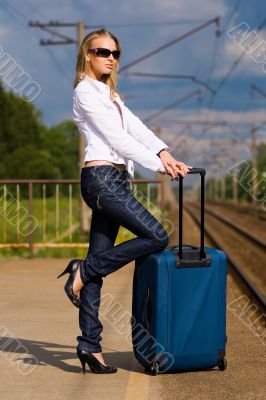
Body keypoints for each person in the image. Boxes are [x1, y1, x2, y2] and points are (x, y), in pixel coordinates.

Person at [57, 28, 191, 374]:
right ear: (88, 54)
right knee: (157, 236)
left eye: (115, 53)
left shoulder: (111, 95)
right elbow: (116, 137)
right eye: (103, 52)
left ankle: (89, 345)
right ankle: (83, 271)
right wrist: (157, 165)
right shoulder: (85, 93)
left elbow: (137, 128)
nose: (110, 58)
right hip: (101, 181)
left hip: (116, 180)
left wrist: (164, 152)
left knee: (98, 260)